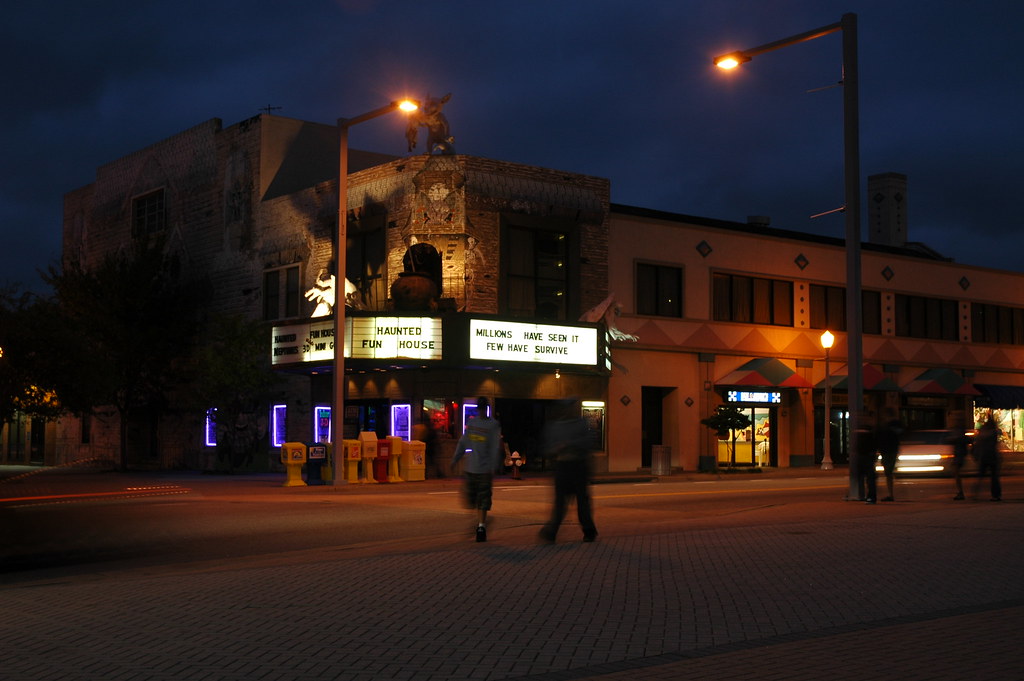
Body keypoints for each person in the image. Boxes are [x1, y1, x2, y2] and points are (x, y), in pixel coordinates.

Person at [538, 398, 598, 543]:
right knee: (562, 503)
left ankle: (588, 531)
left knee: (581, 502)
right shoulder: (555, 426)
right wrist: (558, 449)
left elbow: (589, 442)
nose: (571, 410)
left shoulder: (580, 424)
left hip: (577, 465)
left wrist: (568, 444)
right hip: (564, 466)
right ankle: (552, 532)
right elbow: (547, 449)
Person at [451, 397, 504, 541]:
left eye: (481, 408)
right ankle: (481, 520)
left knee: (483, 500)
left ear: (485, 408)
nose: (480, 410)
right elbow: (463, 442)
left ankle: (481, 526)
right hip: (471, 468)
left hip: (484, 469)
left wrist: (493, 467)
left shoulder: (493, 425)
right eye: (479, 408)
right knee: (471, 500)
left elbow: (494, 447)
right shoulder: (473, 423)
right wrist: (455, 459)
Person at [875, 408, 904, 502]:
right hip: (888, 450)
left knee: (888, 473)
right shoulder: (890, 425)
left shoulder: (889, 425)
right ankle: (890, 494)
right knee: (888, 473)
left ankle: (890, 494)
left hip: (888, 451)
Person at [973, 414, 1002, 502]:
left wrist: (976, 455)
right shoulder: (993, 432)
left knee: (981, 476)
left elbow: (978, 443)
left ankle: (975, 493)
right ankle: (996, 495)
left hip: (985, 456)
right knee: (994, 477)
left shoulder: (983, 432)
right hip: (992, 456)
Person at [946, 413, 972, 500]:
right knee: (956, 473)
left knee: (956, 473)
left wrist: (953, 439)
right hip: (959, 453)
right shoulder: (959, 429)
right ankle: (961, 491)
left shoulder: (958, 430)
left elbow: (961, 439)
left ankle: (961, 492)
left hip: (959, 454)